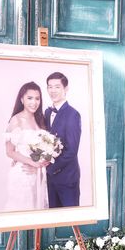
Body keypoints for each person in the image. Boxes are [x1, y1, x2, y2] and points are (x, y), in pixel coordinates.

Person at [4, 81, 49, 212]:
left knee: (38, 213)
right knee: (21, 212)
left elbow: (46, 148)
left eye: (37, 98)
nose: (34, 102)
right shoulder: (16, 120)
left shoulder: (40, 119)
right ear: (22, 99)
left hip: (39, 174)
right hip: (23, 173)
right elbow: (10, 151)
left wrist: (40, 164)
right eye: (30, 98)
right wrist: (32, 163)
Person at [44, 72, 81, 208]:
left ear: (66, 89)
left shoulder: (73, 114)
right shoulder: (47, 113)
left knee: (71, 218)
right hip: (49, 179)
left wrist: (50, 168)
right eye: (50, 87)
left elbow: (72, 150)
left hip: (67, 178)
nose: (53, 90)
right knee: (53, 219)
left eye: (57, 87)